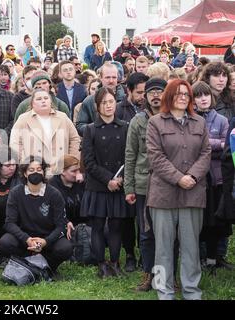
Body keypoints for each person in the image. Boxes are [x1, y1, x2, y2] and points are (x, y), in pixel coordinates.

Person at [146, 79, 211, 300]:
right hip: (163, 195)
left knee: (191, 247)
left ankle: (192, 291)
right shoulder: (155, 122)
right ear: (169, 96)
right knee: (163, 248)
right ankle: (164, 292)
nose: (183, 97)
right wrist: (178, 178)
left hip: (193, 193)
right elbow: (155, 157)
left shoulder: (199, 122)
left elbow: (206, 153)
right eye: (178, 93)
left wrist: (191, 176)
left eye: (187, 94)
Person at [81, 87, 130, 278]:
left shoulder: (125, 127)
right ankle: (101, 264)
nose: (109, 106)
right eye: (104, 103)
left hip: (119, 184)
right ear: (97, 106)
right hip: (98, 186)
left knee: (117, 225)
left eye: (111, 102)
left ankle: (115, 262)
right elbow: (89, 162)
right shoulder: (90, 130)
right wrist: (107, 179)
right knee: (98, 226)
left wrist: (120, 179)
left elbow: (130, 156)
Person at [124, 77, 168, 291]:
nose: (155, 95)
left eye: (160, 91)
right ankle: (149, 275)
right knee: (146, 232)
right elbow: (130, 155)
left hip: (169, 184)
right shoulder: (138, 121)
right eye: (151, 92)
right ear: (145, 96)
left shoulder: (173, 117)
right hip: (144, 184)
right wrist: (129, 187)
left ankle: (167, 277)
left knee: (169, 233)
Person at [0, 157, 73, 272]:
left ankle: (47, 266)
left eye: (39, 169)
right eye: (31, 170)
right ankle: (28, 263)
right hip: (25, 238)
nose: (36, 172)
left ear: (44, 172)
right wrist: (27, 239)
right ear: (25, 173)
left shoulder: (54, 194)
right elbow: (9, 223)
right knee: (5, 242)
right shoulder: (16, 193)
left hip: (48, 238)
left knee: (65, 248)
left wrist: (46, 241)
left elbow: (61, 225)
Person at [192, 81, 230, 274]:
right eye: (198, 96)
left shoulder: (222, 120)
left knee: (216, 223)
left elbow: (226, 147)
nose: (203, 99)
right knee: (199, 223)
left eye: (206, 95)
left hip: (216, 179)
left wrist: (203, 144)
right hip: (197, 180)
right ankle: (198, 258)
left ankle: (214, 259)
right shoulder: (191, 119)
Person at [10, 89, 80, 177]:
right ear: (32, 103)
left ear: (51, 101)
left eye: (46, 98)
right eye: (39, 99)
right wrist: (24, 163)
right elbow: (15, 143)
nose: (43, 101)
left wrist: (71, 161)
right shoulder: (23, 119)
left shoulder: (62, 117)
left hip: (60, 171)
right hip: (34, 171)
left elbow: (74, 139)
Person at [76, 62, 126, 134]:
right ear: (100, 78)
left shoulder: (125, 99)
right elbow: (80, 125)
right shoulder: (89, 101)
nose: (111, 81)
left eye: (114, 77)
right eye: (108, 77)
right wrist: (97, 130)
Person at [48, 155, 85, 232]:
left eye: (79, 170)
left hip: (83, 223)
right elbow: (53, 212)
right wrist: (66, 222)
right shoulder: (52, 186)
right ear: (62, 171)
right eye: (74, 171)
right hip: (62, 226)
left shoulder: (81, 182)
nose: (78, 174)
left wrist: (85, 179)